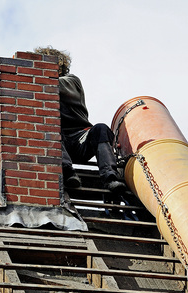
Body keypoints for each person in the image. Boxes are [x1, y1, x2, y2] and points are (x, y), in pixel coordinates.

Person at [34, 46, 127, 194]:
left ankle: (110, 178)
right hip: (58, 142)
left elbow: (55, 86)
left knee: (100, 128)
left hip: (80, 139)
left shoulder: (71, 81)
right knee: (52, 128)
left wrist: (30, 75)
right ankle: (69, 173)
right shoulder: (36, 89)